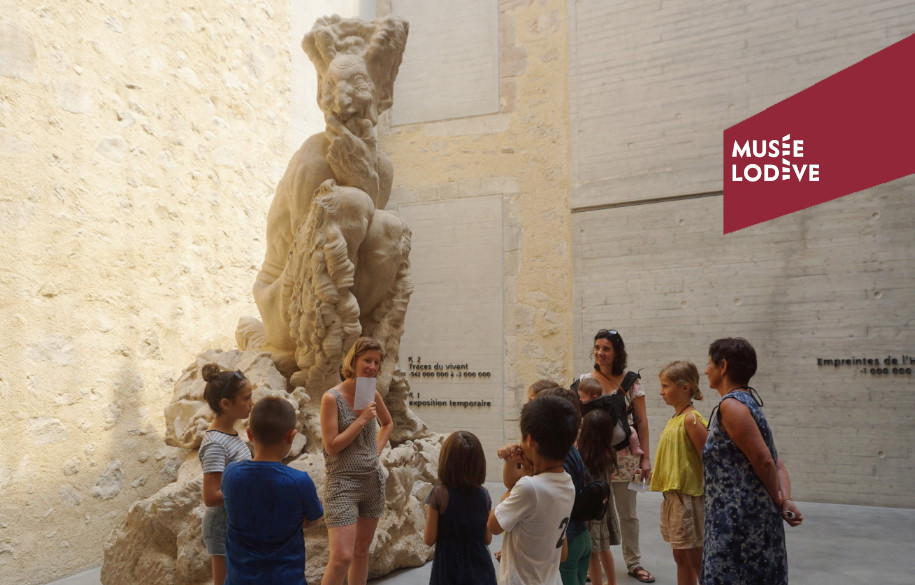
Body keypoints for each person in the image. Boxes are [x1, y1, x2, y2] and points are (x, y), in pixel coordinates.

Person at [701, 338, 804, 585]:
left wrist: (781, 500)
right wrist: (784, 499)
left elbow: (766, 461)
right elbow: (776, 462)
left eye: (709, 363)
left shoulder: (732, 406)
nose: (706, 370)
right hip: (749, 519)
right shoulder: (749, 403)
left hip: (738, 524)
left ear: (723, 366)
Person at [576, 329, 654, 583]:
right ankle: (593, 564)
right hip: (594, 460)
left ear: (617, 352)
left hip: (625, 457)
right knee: (593, 510)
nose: (600, 352)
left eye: (606, 348)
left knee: (627, 513)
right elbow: (577, 420)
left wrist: (645, 458)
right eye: (597, 347)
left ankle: (633, 562)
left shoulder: (631, 381)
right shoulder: (585, 380)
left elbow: (641, 422)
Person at [222, 396, 324, 585]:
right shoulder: (299, 481)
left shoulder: (231, 475)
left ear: (250, 434)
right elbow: (313, 519)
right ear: (291, 436)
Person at [320, 337, 394, 585]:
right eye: (367, 360)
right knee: (341, 557)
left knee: (362, 553)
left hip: (372, 482)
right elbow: (331, 446)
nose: (372, 366)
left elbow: (388, 423)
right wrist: (362, 420)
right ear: (353, 361)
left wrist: (376, 450)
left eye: (376, 362)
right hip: (342, 484)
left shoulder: (370, 392)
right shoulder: (331, 398)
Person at [488, 395, 580, 585]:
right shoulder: (567, 484)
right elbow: (562, 555)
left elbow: (493, 525)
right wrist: (517, 466)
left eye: (521, 437)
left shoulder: (529, 487)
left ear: (530, 440)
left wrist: (512, 490)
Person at [649, 361, 708, 585]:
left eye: (665, 386)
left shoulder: (692, 419)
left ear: (685, 388)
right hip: (673, 496)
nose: (661, 391)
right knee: (680, 556)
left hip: (689, 497)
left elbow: (708, 459)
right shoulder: (676, 417)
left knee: (695, 558)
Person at [198, 364, 254, 585]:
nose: (251, 403)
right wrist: (250, 489)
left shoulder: (231, 434)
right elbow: (210, 497)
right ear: (226, 404)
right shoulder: (215, 444)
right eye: (246, 398)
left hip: (237, 520)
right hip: (222, 525)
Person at [424, 430, 497, 585]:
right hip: (480, 567)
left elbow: (429, 539)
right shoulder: (484, 496)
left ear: (446, 461)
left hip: (448, 569)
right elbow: (487, 539)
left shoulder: (438, 494)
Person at [577, 409, 620, 585]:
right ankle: (611, 582)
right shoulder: (610, 452)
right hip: (604, 505)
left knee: (593, 554)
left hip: (591, 509)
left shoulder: (584, 455)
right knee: (604, 550)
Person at [577, 377, 643, 455]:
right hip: (618, 437)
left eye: (583, 397)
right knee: (632, 430)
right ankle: (635, 448)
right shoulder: (609, 401)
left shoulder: (586, 407)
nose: (580, 400)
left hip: (599, 441)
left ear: (594, 397)